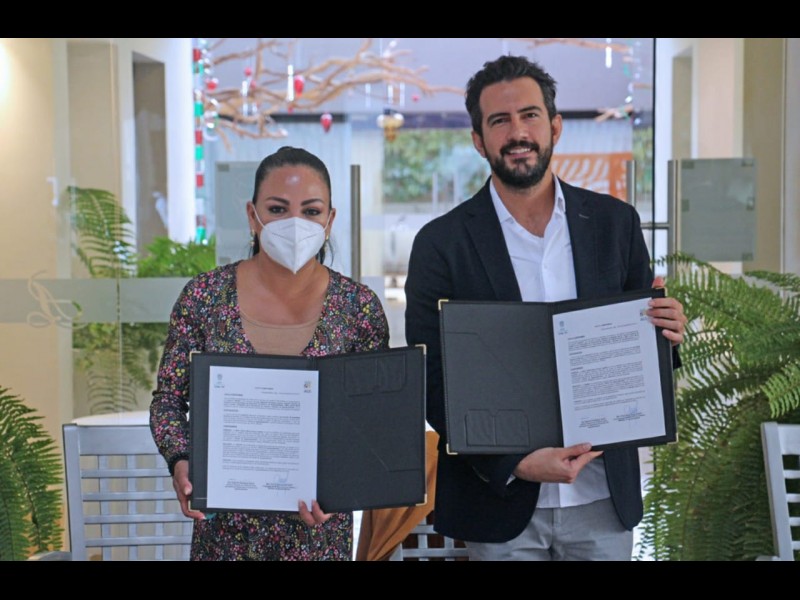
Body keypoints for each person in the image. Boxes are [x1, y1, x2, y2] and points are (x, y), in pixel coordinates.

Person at [404, 55, 687, 561]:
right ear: (478, 139)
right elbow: (433, 380)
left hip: (604, 497)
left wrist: (665, 333)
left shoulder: (616, 224)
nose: (518, 132)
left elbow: (641, 357)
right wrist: (515, 462)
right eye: (500, 120)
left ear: (555, 126)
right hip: (499, 501)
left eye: (530, 115)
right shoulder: (440, 244)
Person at [150, 146, 390, 561]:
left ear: (330, 220)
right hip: (223, 537)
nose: (295, 224)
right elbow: (168, 399)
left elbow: (373, 421)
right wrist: (181, 459)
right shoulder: (204, 298)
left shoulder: (358, 308)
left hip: (318, 541)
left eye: (311, 211)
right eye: (278, 209)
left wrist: (345, 485)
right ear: (252, 215)